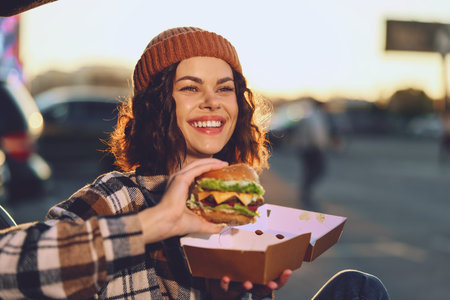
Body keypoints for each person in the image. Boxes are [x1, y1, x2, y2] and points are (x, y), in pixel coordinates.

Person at [0, 26, 390, 299]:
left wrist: (230, 296)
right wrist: (155, 223)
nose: (213, 101)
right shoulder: (115, 198)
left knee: (358, 287)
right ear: (156, 105)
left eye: (225, 88)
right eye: (190, 88)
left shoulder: (236, 205)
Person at [291, 98, 330, 209]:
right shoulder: (314, 117)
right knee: (317, 170)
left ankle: (306, 192)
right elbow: (315, 134)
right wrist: (320, 146)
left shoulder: (311, 116)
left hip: (307, 148)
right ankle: (306, 192)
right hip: (312, 149)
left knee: (310, 171)